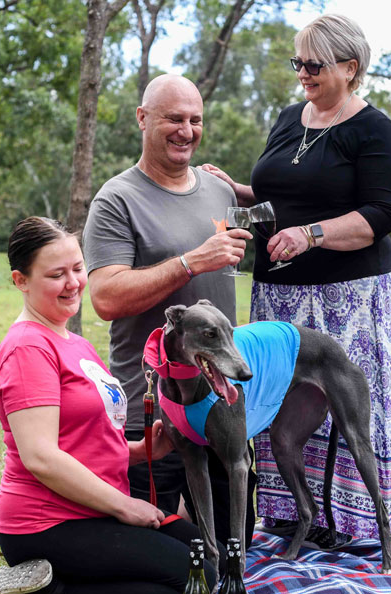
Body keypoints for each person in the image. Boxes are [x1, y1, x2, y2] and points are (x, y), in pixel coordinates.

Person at [201, 14, 391, 548]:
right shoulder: (290, 118)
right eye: (298, 62)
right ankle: (291, 516)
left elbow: (383, 213)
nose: (302, 74)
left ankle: (355, 524)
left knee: (345, 411)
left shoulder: (373, 130)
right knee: (275, 402)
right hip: (278, 293)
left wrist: (311, 234)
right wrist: (239, 191)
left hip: (349, 297)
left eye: (314, 64)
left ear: (350, 67)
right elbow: (284, 197)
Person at [0, 216, 216, 594]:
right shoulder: (27, 349)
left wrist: (138, 451)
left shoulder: (75, 343)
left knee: (205, 558)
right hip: (47, 523)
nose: (73, 283)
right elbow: (41, 456)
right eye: (56, 274)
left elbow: (81, 436)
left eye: (78, 268)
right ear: (21, 281)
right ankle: (47, 589)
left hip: (94, 509)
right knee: (196, 583)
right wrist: (125, 506)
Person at [83, 74, 257, 549]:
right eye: (173, 119)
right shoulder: (117, 200)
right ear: (143, 119)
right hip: (152, 409)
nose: (186, 130)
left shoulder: (218, 192)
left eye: (195, 120)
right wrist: (190, 262)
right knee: (155, 550)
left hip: (219, 400)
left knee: (234, 544)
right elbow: (105, 299)